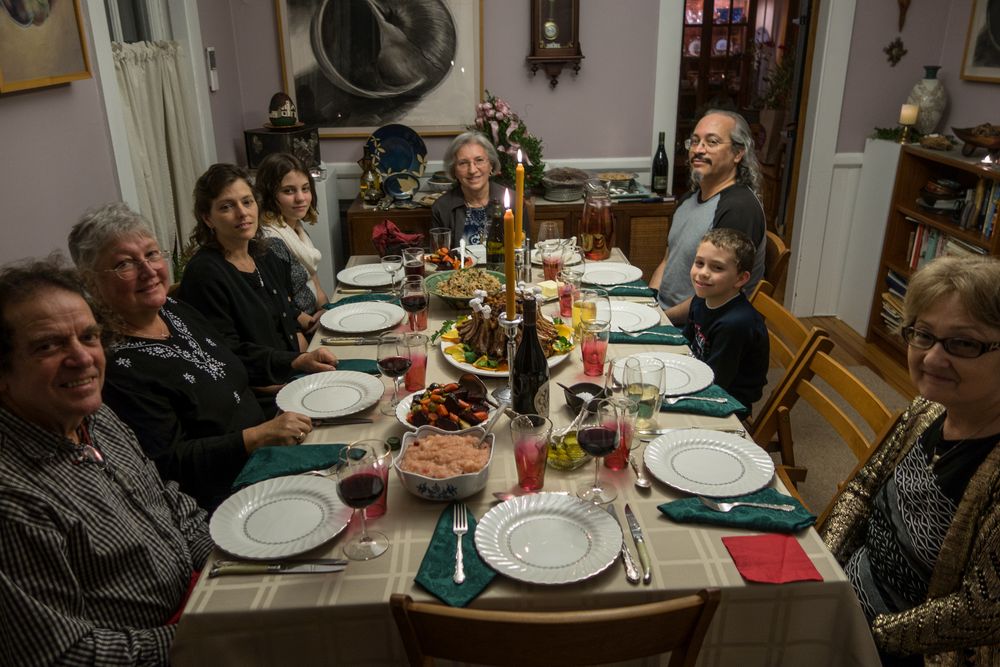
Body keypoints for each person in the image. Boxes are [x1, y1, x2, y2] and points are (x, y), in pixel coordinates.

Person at [0, 256, 213, 665]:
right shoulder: (13, 498)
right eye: (48, 345)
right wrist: (205, 634)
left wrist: (231, 565)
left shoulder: (92, 414)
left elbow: (170, 503)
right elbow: (66, 656)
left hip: (198, 601)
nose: (82, 358)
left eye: (89, 337)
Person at [69, 203, 314, 512]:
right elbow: (167, 464)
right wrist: (255, 437)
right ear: (91, 283)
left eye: (152, 254)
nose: (148, 271)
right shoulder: (113, 365)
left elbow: (233, 362)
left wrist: (292, 369)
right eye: (124, 264)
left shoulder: (174, 309)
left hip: (272, 448)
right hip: (229, 498)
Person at [822, 255, 1000, 666]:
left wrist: (862, 629)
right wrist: (825, 568)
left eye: (964, 343)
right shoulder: (928, 411)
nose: (933, 358)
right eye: (923, 335)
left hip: (911, 649)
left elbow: (979, 611)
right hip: (844, 601)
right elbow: (863, 490)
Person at [177, 163, 337, 394]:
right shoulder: (205, 274)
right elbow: (224, 354)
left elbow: (285, 311)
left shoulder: (263, 253)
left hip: (296, 375)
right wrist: (294, 366)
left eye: (247, 202)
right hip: (259, 394)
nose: (242, 213)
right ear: (207, 218)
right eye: (226, 207)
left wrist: (312, 330)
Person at [649, 109, 766, 325]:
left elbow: (717, 296)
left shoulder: (738, 210)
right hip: (665, 315)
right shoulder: (689, 198)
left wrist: (661, 319)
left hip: (697, 330)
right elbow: (668, 259)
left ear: (738, 153)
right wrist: (649, 302)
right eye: (694, 142)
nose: (698, 150)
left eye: (711, 142)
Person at [681, 228, 768, 415]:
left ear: (740, 279)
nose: (703, 273)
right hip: (699, 373)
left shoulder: (735, 325)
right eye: (699, 263)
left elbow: (716, 382)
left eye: (717, 267)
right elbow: (684, 344)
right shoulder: (701, 298)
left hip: (726, 401)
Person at [255, 152, 329, 326]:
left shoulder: (297, 230)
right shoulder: (270, 241)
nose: (301, 198)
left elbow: (316, 286)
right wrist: (316, 326)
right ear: (269, 195)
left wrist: (327, 311)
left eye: (305, 188)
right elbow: (281, 305)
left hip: (318, 318)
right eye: (288, 191)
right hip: (298, 329)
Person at [431, 131, 529, 245]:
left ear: (491, 165)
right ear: (454, 171)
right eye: (463, 163)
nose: (472, 170)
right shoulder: (442, 208)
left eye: (479, 160)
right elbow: (439, 257)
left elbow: (526, 251)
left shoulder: (514, 201)